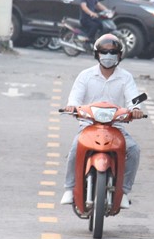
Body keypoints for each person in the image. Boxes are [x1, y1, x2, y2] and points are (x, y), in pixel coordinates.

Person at [61, 33, 145, 209]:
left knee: (134, 150)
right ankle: (69, 189)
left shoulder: (125, 77)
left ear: (119, 55)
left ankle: (124, 191)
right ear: (97, 54)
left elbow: (132, 98)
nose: (108, 56)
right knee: (75, 148)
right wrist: (72, 107)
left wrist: (135, 110)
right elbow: (75, 98)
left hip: (116, 127)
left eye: (113, 52)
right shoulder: (85, 75)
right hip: (88, 126)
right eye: (104, 52)